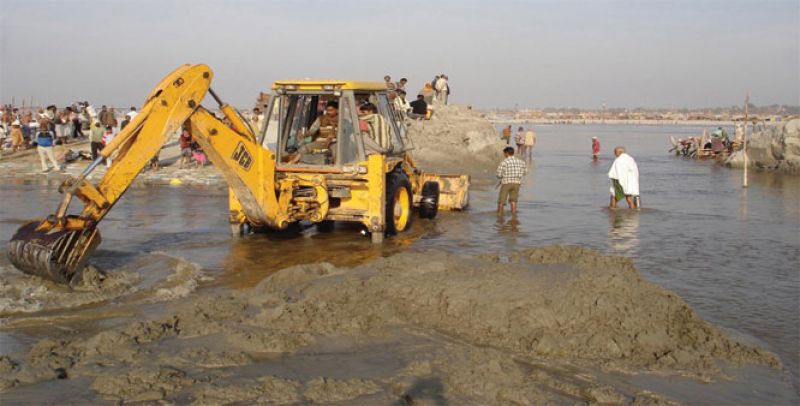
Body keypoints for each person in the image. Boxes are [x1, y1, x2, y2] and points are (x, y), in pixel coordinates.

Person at [289, 100, 339, 164]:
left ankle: (335, 168)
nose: (328, 112)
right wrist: (304, 135)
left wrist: (334, 136)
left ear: (337, 110)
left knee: (336, 152)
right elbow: (312, 130)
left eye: (331, 110)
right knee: (304, 148)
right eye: (327, 110)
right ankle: (293, 162)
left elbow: (346, 133)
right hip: (321, 142)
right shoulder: (321, 119)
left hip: (335, 143)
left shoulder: (342, 120)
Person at [496, 146, 526, 215]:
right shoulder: (521, 162)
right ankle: (514, 217)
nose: (504, 155)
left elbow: (498, 175)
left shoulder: (504, 162)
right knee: (514, 201)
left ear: (506, 153)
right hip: (517, 183)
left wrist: (502, 177)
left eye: (504, 154)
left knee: (501, 201)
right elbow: (525, 172)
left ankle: (499, 217)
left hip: (506, 183)